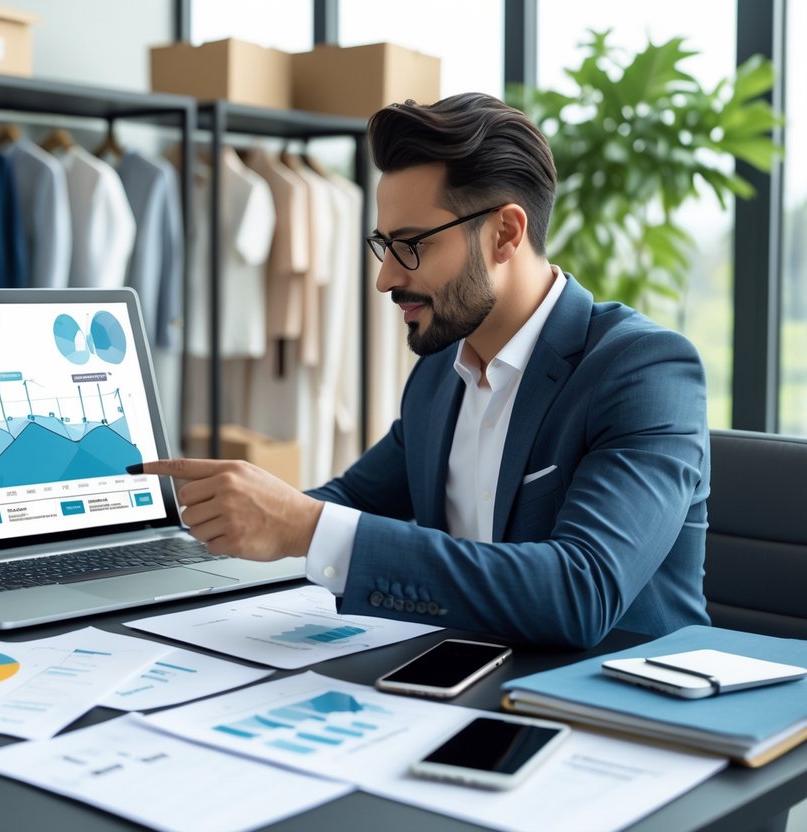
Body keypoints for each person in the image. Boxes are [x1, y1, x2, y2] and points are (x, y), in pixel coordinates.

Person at [134, 92, 710, 649]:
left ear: (505, 233)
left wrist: (306, 527)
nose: (385, 278)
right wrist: (217, 515)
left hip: (622, 710)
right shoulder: (442, 369)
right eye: (383, 245)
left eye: (410, 245)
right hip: (465, 675)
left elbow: (581, 591)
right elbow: (353, 499)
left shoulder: (644, 370)